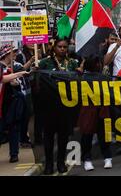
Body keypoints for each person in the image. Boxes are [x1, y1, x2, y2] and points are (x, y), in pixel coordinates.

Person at [38, 38, 79, 174]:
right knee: (48, 137)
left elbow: (76, 82)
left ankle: (61, 162)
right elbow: (38, 83)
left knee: (63, 137)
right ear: (54, 47)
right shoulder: (44, 63)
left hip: (65, 106)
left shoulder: (72, 63)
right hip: (48, 106)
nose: (62, 49)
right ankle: (49, 164)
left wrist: (79, 73)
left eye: (65, 47)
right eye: (60, 47)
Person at [79, 56, 113, 171]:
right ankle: (88, 159)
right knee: (88, 135)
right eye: (97, 63)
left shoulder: (103, 77)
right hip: (89, 110)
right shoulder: (83, 78)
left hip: (101, 109)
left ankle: (106, 157)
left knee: (103, 134)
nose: (99, 65)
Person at [0, 45, 30, 163]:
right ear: (7, 54)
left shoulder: (9, 68)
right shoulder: (1, 67)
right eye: (13, 52)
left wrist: (15, 81)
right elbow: (2, 79)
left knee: (14, 129)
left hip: (10, 105)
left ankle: (14, 154)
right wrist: (20, 73)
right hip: (2, 106)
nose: (15, 55)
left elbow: (13, 83)